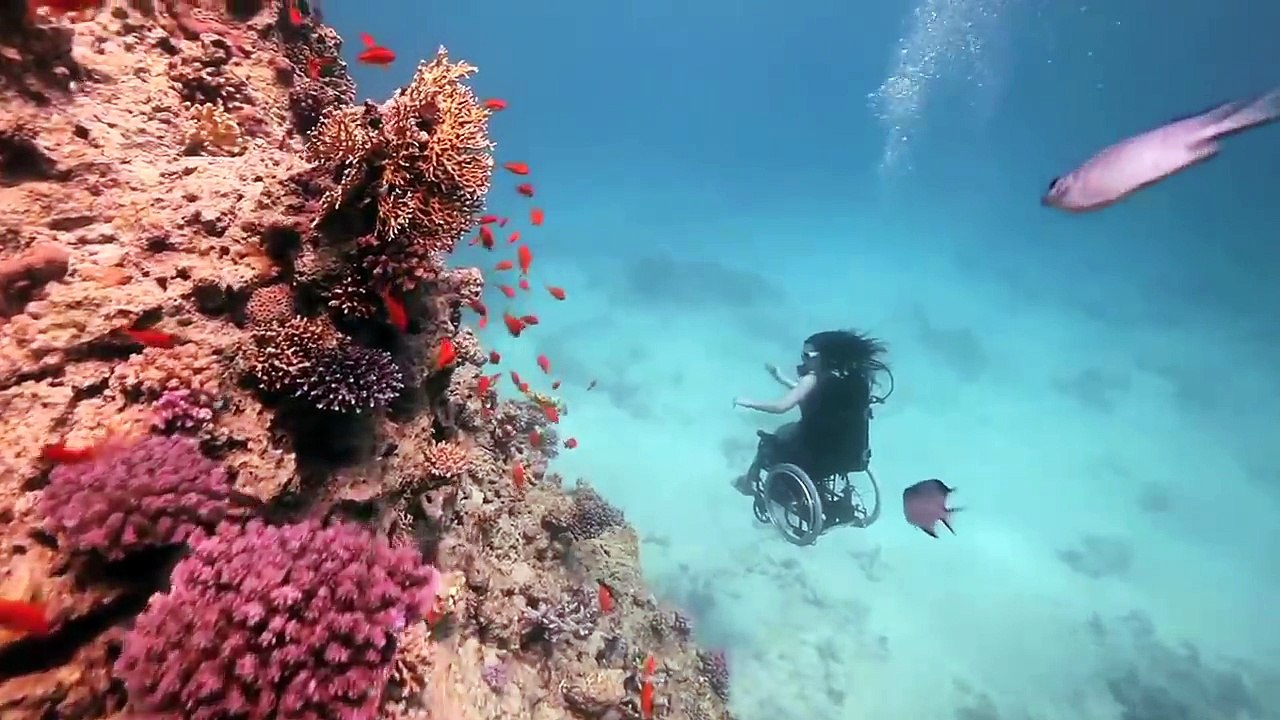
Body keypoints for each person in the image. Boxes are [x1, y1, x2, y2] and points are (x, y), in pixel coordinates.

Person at [731, 329, 890, 496]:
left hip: (812, 456)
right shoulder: (850, 382)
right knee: (789, 431)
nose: (803, 360)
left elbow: (781, 407)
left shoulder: (812, 379)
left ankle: (748, 483)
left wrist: (749, 403)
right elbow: (808, 393)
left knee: (768, 442)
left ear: (824, 358)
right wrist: (780, 378)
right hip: (849, 455)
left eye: (808, 356)